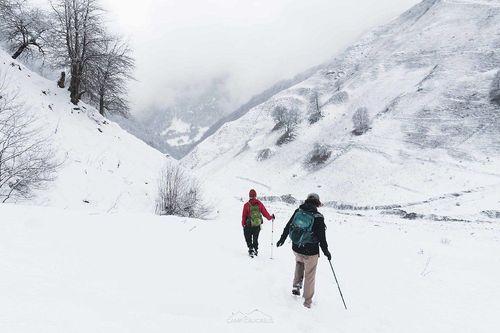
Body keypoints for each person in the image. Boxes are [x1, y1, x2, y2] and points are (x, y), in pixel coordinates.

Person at [276, 193, 331, 308]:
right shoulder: (318, 217)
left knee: (299, 264)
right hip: (311, 251)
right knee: (310, 275)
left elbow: (288, 226)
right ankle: (307, 302)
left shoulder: (298, 211)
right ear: (317, 203)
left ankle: (296, 286)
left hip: (296, 246)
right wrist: (326, 252)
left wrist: (282, 239)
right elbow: (322, 238)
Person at [242, 189, 274, 257]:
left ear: (249, 196)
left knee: (248, 236)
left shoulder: (246, 205)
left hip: (249, 224)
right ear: (255, 196)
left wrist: (243, 224)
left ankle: (251, 249)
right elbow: (265, 214)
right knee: (255, 238)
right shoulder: (259, 204)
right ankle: (255, 249)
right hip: (257, 224)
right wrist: (271, 217)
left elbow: (244, 216)